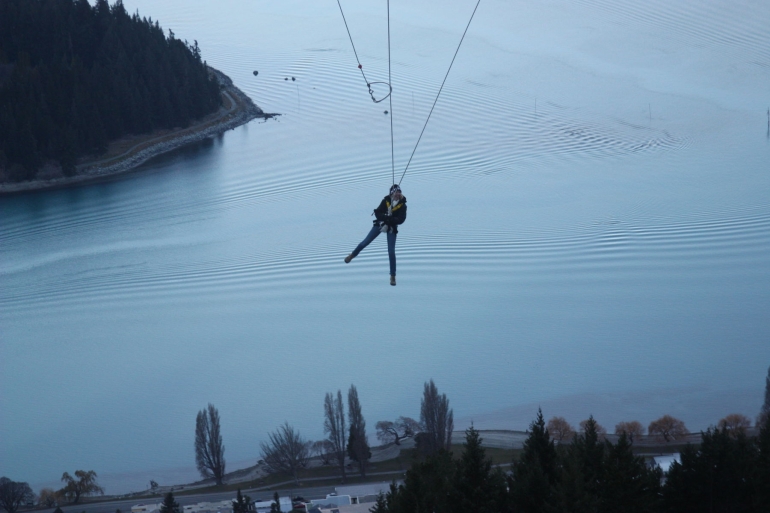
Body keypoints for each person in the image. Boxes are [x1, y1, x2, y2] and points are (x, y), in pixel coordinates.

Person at [344, 184, 407, 286]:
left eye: (398, 193)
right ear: (391, 193)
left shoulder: (403, 205)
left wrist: (390, 220)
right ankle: (352, 255)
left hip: (391, 227)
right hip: (380, 224)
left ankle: (393, 276)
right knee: (365, 242)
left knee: (391, 251)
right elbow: (378, 212)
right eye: (395, 193)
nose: (397, 194)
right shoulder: (386, 201)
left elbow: (401, 219)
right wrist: (385, 217)